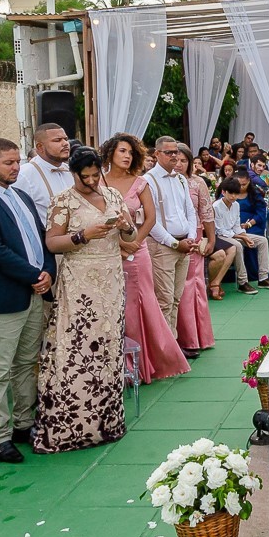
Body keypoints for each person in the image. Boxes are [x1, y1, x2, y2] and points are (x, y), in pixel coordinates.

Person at [33, 147, 134, 454]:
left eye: (95, 174)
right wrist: (83, 235)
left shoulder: (113, 195)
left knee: (108, 346)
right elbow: (52, 242)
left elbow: (129, 239)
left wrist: (125, 226)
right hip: (79, 283)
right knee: (76, 349)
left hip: (112, 281)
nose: (91, 181)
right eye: (84, 176)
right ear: (72, 174)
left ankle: (107, 423)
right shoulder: (63, 200)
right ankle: (71, 426)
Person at [0, 138, 56, 464]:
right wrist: (34, 274)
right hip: (5, 296)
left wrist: (47, 271)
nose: (16, 167)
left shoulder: (22, 196)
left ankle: (23, 425)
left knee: (26, 364)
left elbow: (42, 239)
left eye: (18, 162)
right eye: (8, 163)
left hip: (34, 292)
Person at [99, 133, 188, 384]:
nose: (127, 156)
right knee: (117, 306)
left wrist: (136, 242)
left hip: (139, 251)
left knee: (145, 303)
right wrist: (118, 244)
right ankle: (119, 365)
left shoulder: (140, 183)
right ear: (110, 154)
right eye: (121, 151)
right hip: (108, 250)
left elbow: (150, 217)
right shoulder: (100, 183)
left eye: (130, 152)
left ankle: (150, 362)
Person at [144, 136, 199, 334]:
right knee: (164, 301)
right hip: (163, 246)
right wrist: (174, 243)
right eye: (169, 152)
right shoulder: (148, 180)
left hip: (185, 243)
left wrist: (191, 236)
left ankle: (173, 346)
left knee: (176, 299)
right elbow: (151, 221)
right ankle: (165, 353)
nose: (174, 156)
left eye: (176, 151)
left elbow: (190, 211)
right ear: (157, 154)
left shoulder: (181, 179)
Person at [174, 143, 215, 358]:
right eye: (176, 160)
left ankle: (195, 338)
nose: (179, 164)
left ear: (190, 162)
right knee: (176, 289)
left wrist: (211, 239)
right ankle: (178, 337)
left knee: (193, 286)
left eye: (184, 160)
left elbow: (207, 213)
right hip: (169, 238)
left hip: (195, 237)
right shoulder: (160, 182)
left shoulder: (197, 183)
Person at [209, 176, 268, 295]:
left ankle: (263, 278)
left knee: (263, 241)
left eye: (236, 194)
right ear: (223, 192)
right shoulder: (216, 206)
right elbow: (220, 230)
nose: (233, 196)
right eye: (230, 193)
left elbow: (236, 225)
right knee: (238, 246)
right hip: (220, 237)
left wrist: (244, 236)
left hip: (234, 234)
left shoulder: (236, 205)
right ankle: (242, 282)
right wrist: (242, 237)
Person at [14, 123, 74, 222]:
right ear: (40, 147)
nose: (65, 143)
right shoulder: (24, 175)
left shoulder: (71, 171)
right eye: (57, 140)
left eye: (66, 139)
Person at [234, 166, 269, 290]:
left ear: (249, 181)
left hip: (252, 225)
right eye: (239, 184)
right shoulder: (230, 194)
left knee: (260, 240)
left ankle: (263, 277)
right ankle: (243, 280)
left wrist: (249, 224)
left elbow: (261, 214)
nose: (242, 187)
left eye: (244, 184)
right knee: (242, 243)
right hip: (233, 229)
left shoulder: (255, 194)